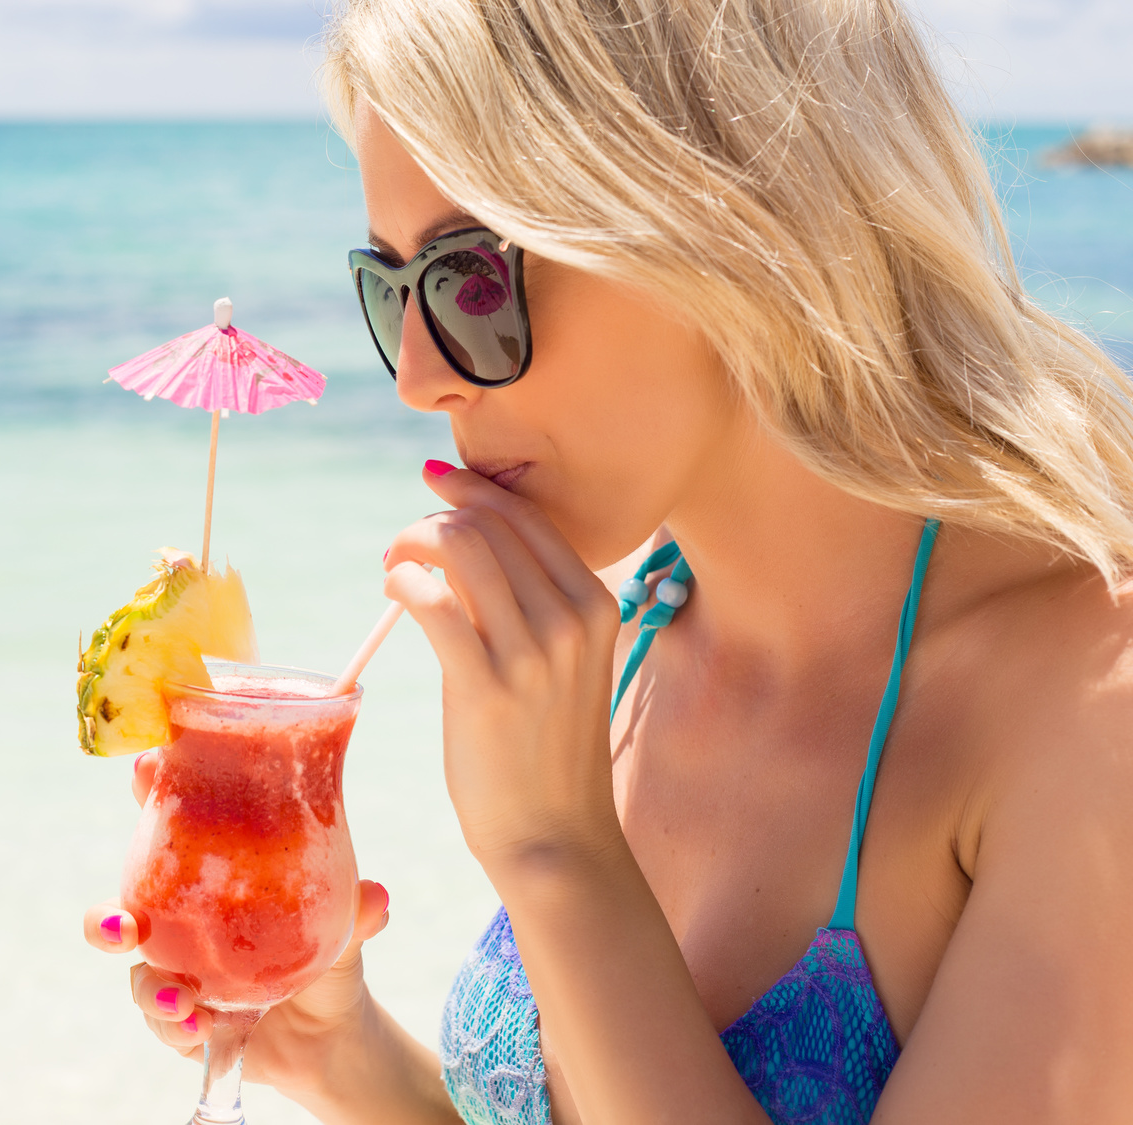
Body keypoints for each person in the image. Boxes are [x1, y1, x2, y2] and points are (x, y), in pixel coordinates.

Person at [85, 0, 1133, 1120]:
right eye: (390, 295)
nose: (417, 380)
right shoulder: (638, 630)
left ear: (721, 221)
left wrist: (555, 852)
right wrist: (341, 1057)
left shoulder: (1088, 708)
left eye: (472, 284)